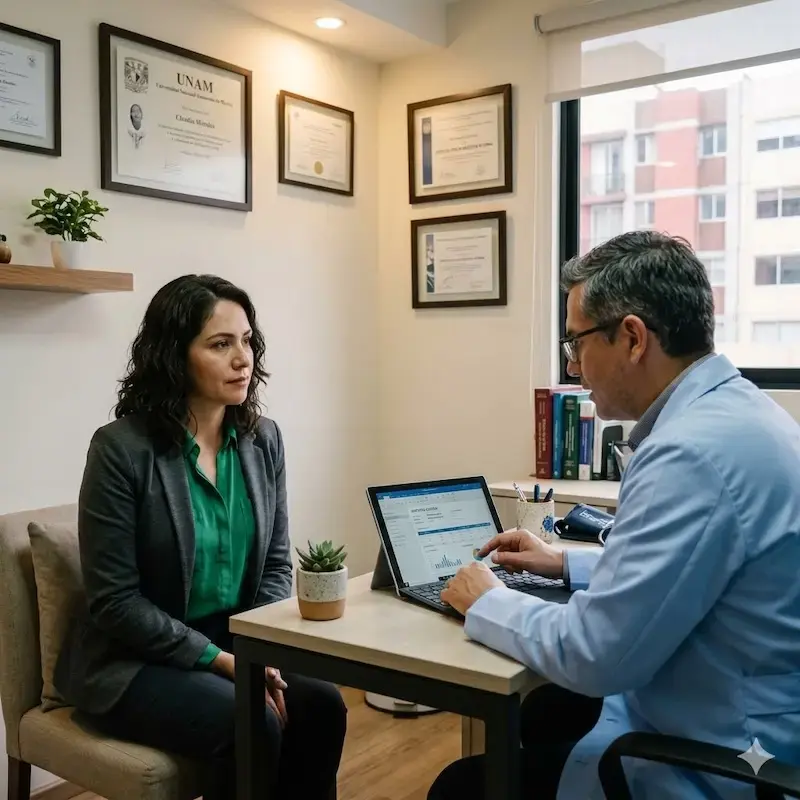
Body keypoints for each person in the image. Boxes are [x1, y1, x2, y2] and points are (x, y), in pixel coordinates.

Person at [431, 231, 800, 800]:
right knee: (543, 714)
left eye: (576, 343)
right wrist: (565, 564)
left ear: (631, 337)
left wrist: (488, 600)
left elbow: (594, 655)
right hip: (748, 713)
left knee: (462, 786)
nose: (573, 365)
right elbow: (689, 573)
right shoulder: (739, 414)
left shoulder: (691, 454)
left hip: (725, 760)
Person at [54, 274, 347, 800]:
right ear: (174, 356)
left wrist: (265, 652)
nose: (243, 359)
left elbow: (276, 565)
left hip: (237, 636)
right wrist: (228, 664)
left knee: (322, 703)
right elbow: (115, 602)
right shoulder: (121, 450)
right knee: (253, 721)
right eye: (220, 344)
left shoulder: (264, 440)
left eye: (247, 340)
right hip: (135, 660)